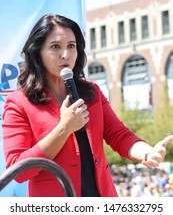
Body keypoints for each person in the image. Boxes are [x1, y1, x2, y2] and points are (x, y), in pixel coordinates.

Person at [2, 14, 173, 197]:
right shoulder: (19, 103)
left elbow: (119, 135)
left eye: (71, 46)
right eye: (55, 47)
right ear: (37, 52)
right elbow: (18, 169)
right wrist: (64, 128)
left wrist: (147, 153)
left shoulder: (92, 92)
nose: (65, 54)